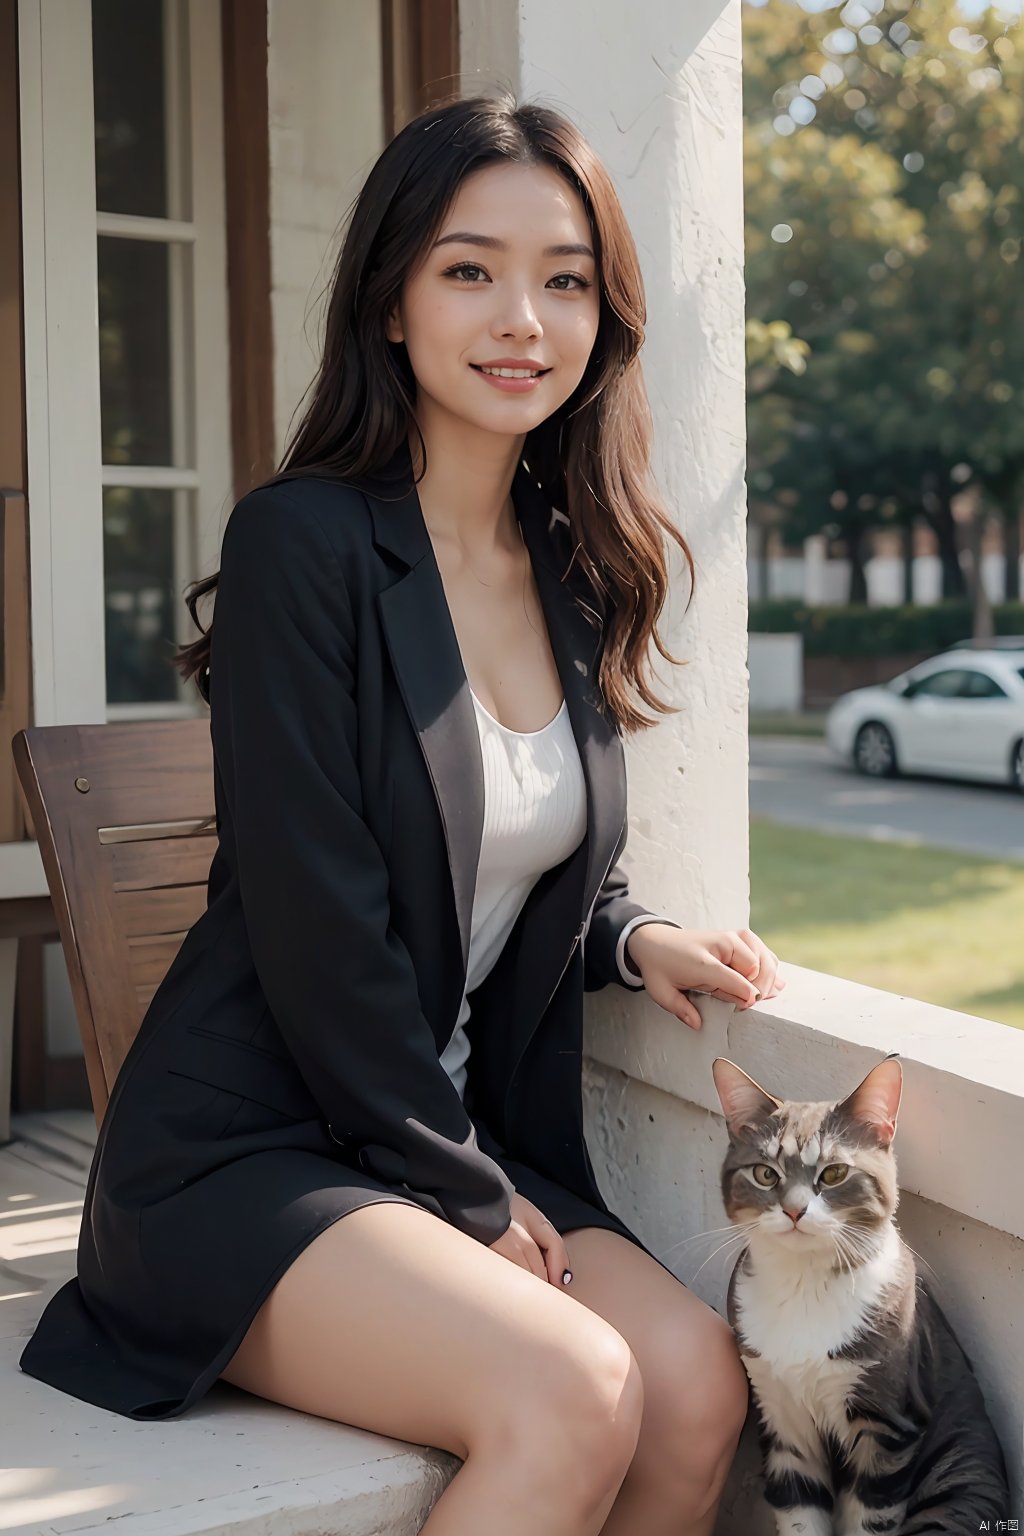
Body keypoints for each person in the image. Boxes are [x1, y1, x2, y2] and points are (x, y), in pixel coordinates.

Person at [19, 93, 785, 1536]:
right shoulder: (301, 540)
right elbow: (323, 917)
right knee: (574, 1389)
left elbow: (489, 835)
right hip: (252, 1151)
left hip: (443, 1134)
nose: (523, 318)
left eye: (564, 279)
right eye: (468, 268)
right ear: (389, 300)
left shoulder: (569, 559)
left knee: (693, 1384)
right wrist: (468, 1194)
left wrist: (627, 940)